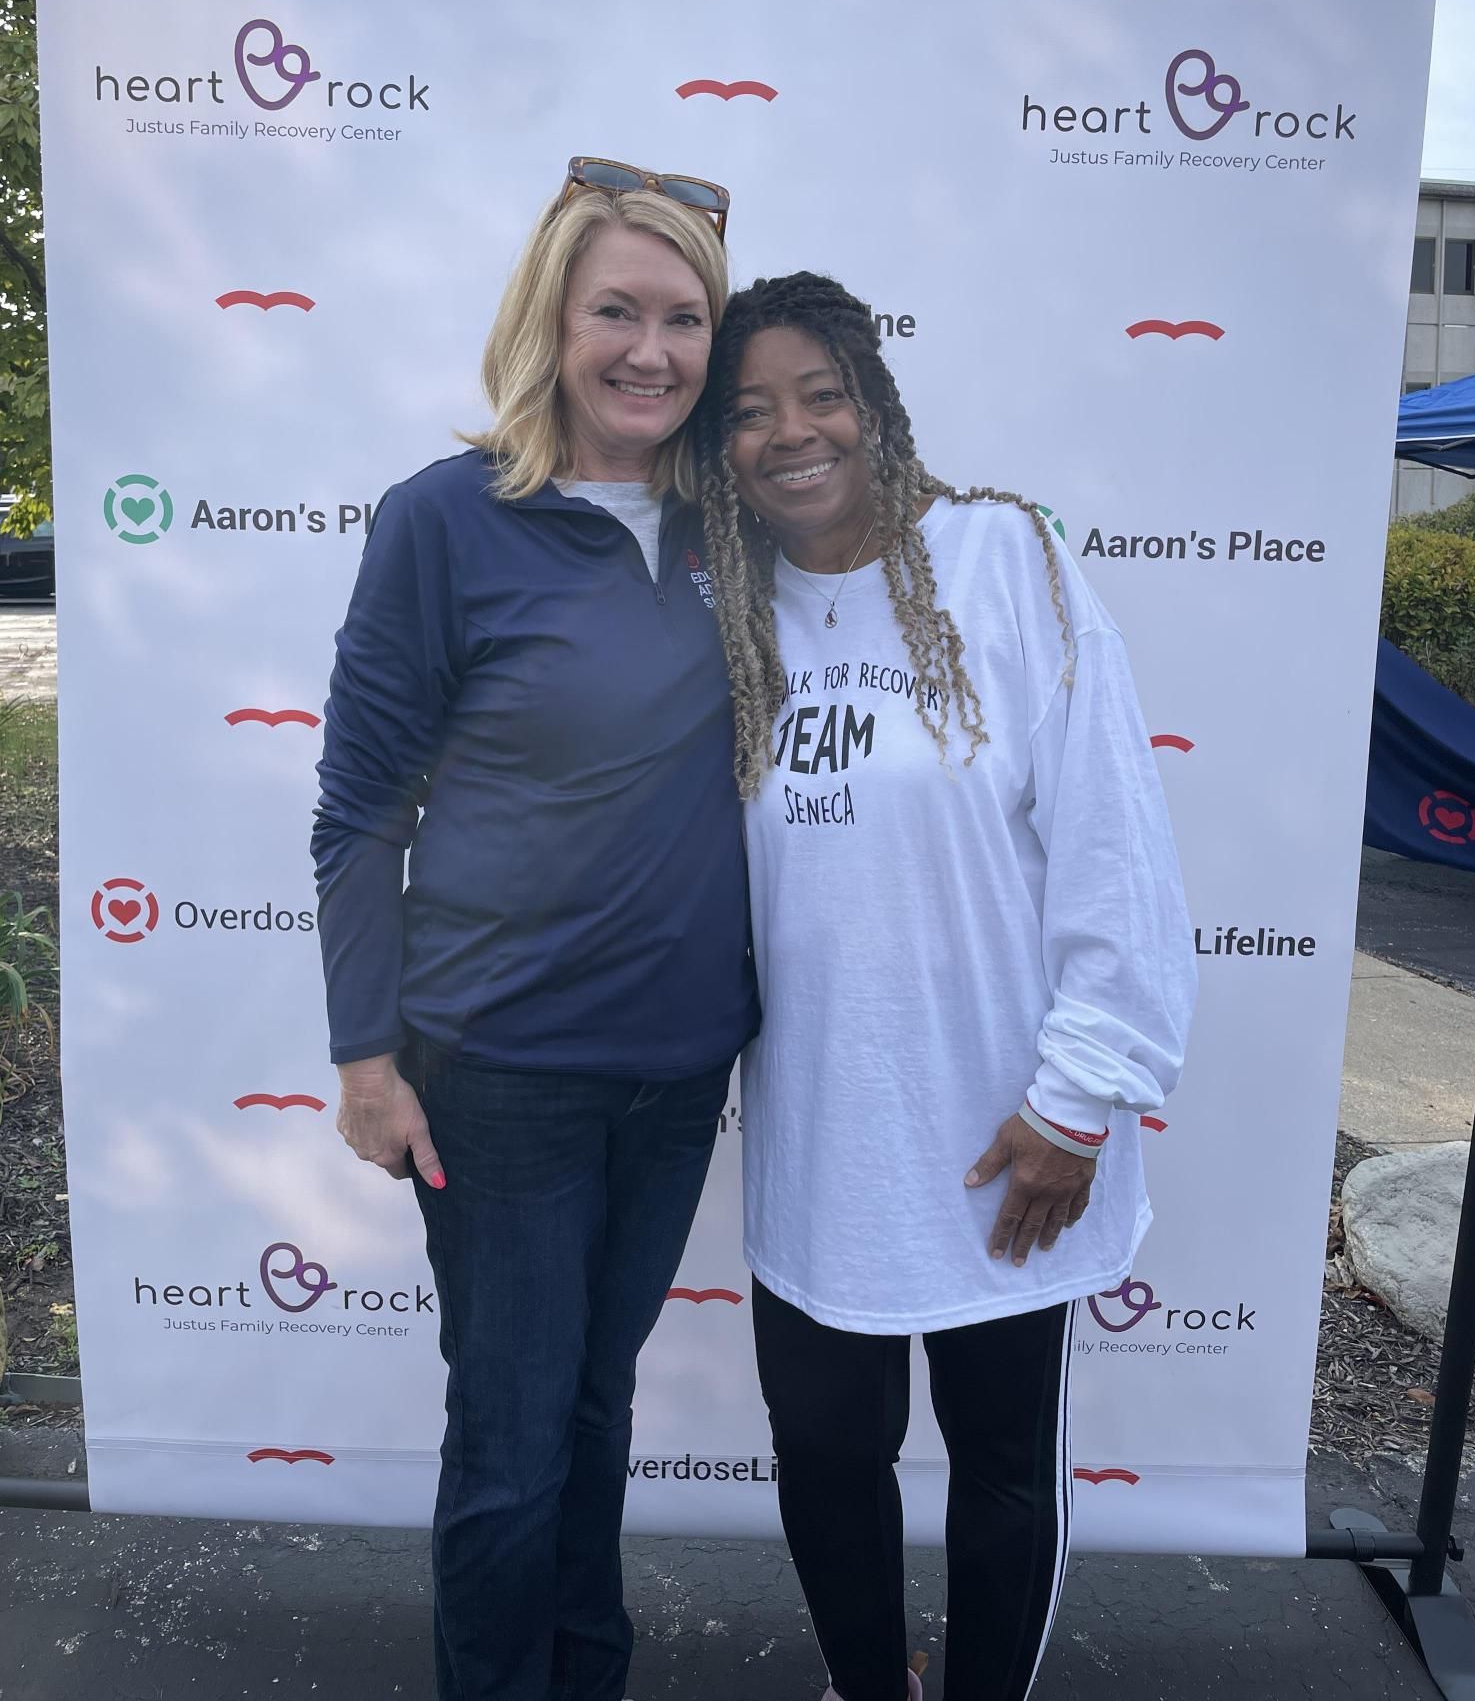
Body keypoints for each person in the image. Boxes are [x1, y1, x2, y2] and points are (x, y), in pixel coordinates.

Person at [691, 272, 1196, 1701]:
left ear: (877, 403)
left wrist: (1079, 1100)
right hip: (822, 1142)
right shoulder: (726, 604)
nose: (792, 433)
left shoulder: (1004, 561)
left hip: (1006, 1129)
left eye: (822, 395)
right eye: (750, 412)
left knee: (1001, 1464)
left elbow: (1114, 848)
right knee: (826, 1456)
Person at [311, 160, 759, 1701]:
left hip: (680, 1071)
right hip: (498, 1073)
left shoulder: (740, 524)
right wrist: (365, 1060)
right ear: (550, 323)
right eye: (616, 311)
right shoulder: (445, 522)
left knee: (593, 1408)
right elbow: (359, 811)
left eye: (685, 319)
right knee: (510, 1444)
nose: (652, 350)